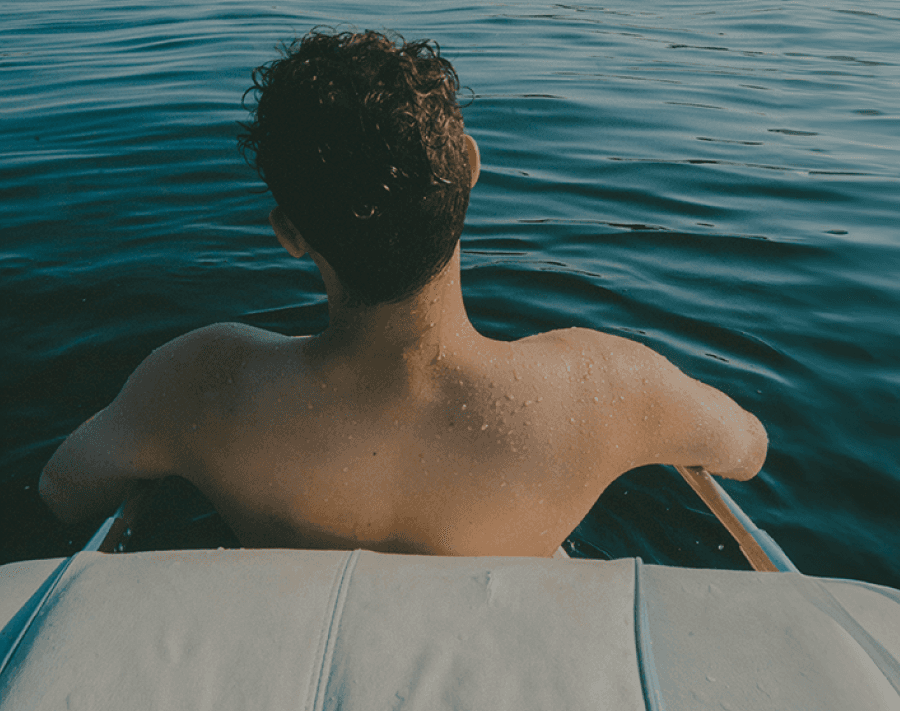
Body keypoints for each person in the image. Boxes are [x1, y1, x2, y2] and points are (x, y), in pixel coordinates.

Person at [39, 29, 766, 557]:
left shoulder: (202, 381)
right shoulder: (601, 386)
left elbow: (64, 489)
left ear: (289, 233)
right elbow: (745, 448)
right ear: (472, 169)